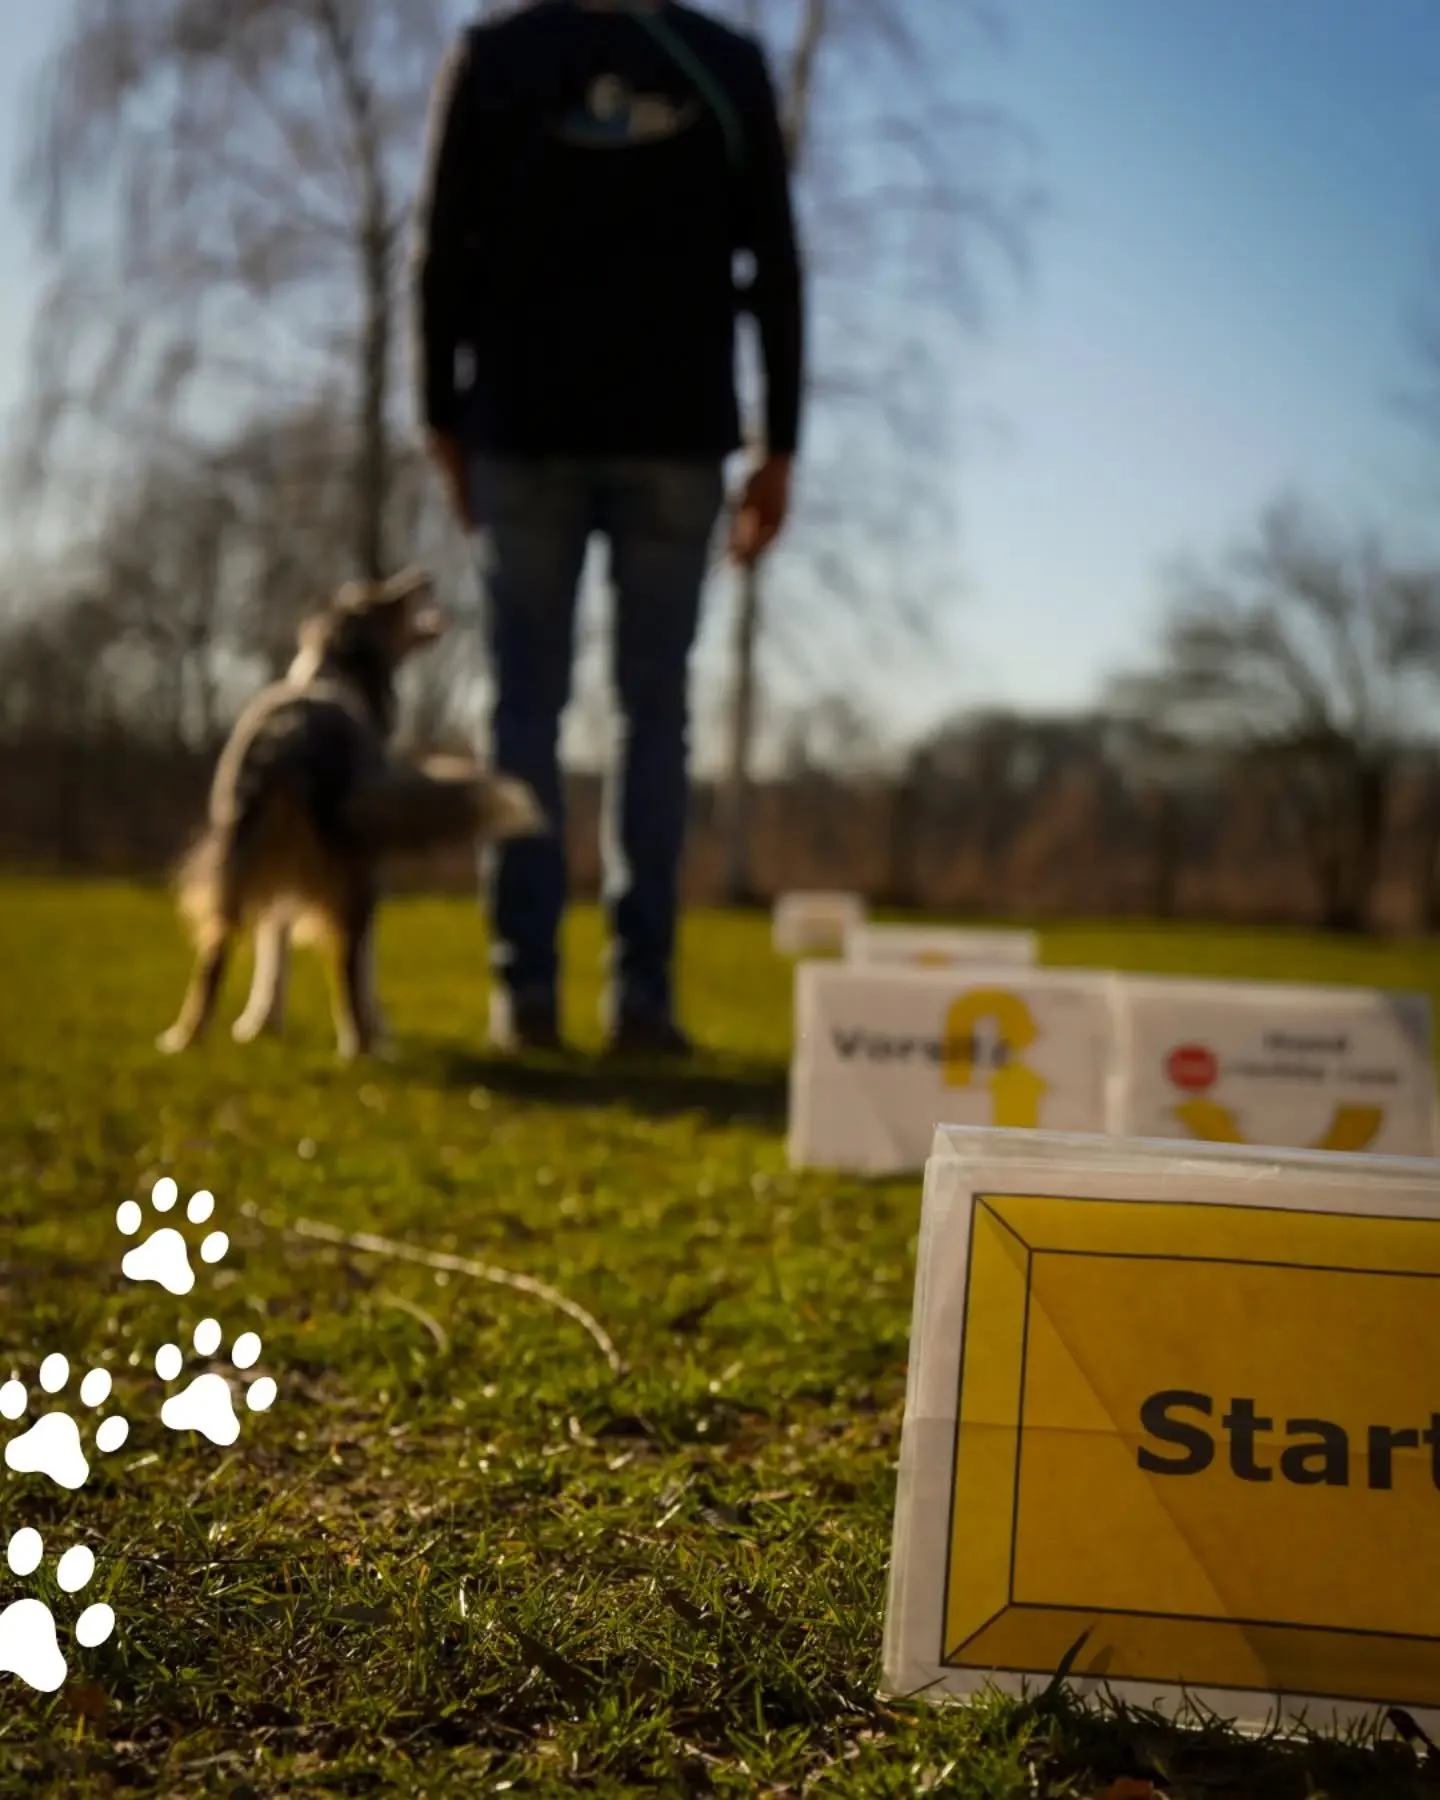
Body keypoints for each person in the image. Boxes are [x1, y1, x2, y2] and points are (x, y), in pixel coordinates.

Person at [413, 0, 804, 1057]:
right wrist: (778, 444)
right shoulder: (720, 62)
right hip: (658, 436)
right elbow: (775, 262)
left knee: (527, 711)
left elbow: (440, 249)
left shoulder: (498, 56)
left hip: (537, 433)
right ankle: (640, 999)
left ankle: (528, 994)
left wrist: (441, 413)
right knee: (650, 715)